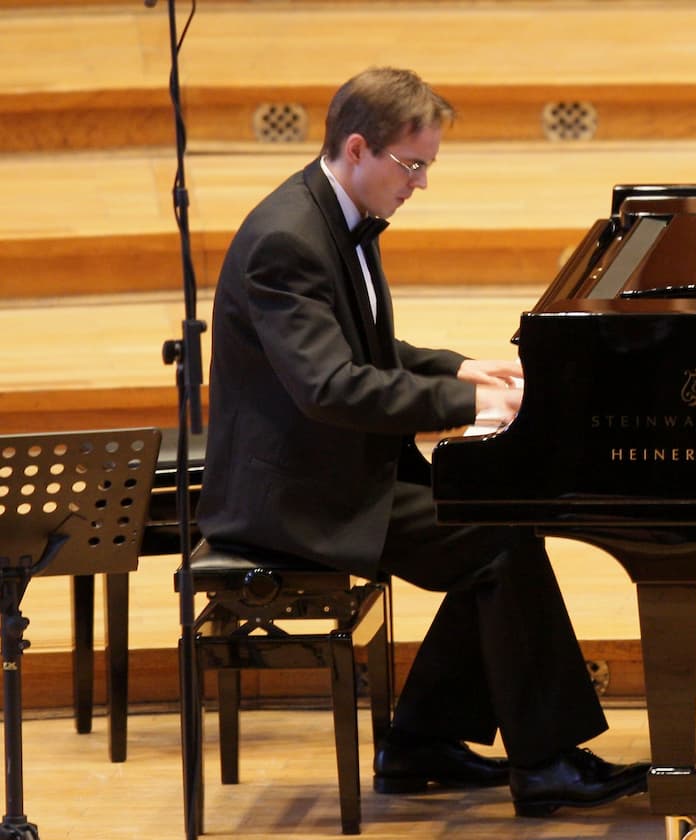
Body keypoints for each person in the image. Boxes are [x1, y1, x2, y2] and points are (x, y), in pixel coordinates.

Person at [197, 66, 648, 817]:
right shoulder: (288, 239)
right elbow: (331, 386)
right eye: (414, 165)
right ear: (357, 149)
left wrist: (459, 366)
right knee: (497, 541)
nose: (422, 183)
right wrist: (470, 399)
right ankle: (545, 763)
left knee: (498, 524)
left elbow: (369, 346)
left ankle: (424, 743)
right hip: (297, 499)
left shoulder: (331, 216)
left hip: (337, 472)